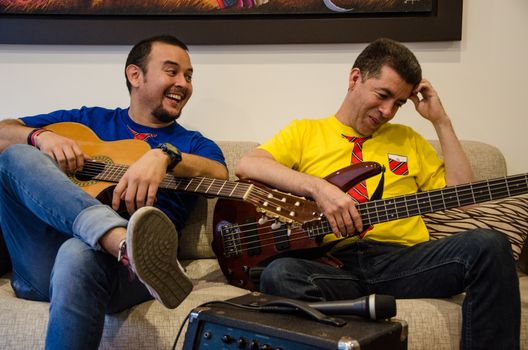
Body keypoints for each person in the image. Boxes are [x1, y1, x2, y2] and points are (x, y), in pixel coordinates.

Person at [235, 38, 520, 349]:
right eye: (383, 95)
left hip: (404, 263)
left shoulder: (407, 139)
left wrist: (441, 121)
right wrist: (319, 188)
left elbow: (464, 198)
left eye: (398, 103)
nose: (387, 111)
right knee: (279, 274)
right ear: (355, 78)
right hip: (334, 266)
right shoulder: (305, 132)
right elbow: (248, 165)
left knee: (489, 244)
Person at [0, 35, 228, 349]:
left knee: (78, 252)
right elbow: (3, 133)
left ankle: (121, 246)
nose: (184, 83)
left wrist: (164, 156)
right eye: (172, 71)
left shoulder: (192, 143)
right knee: (16, 155)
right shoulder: (87, 120)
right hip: (41, 261)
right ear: (135, 75)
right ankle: (118, 238)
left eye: (188, 76)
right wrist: (39, 137)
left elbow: (219, 174)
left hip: (131, 274)